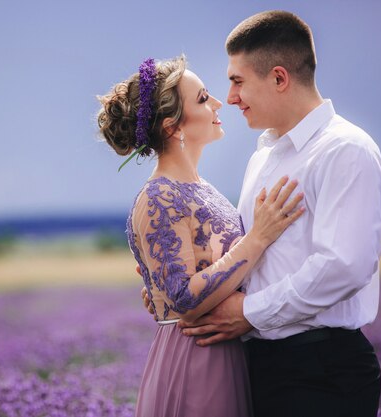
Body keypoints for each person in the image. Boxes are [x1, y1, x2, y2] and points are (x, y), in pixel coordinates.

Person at [168, 10, 381, 417]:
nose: (230, 97)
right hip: (261, 364)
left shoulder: (345, 150)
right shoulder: (266, 155)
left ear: (278, 78)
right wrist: (174, 282)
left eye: (238, 81)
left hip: (320, 370)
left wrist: (249, 313)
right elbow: (246, 254)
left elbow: (343, 266)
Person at [97, 55, 304, 417]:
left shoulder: (198, 187)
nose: (219, 103)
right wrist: (258, 237)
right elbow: (183, 299)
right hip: (196, 357)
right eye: (204, 98)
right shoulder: (159, 197)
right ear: (172, 127)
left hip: (224, 350)